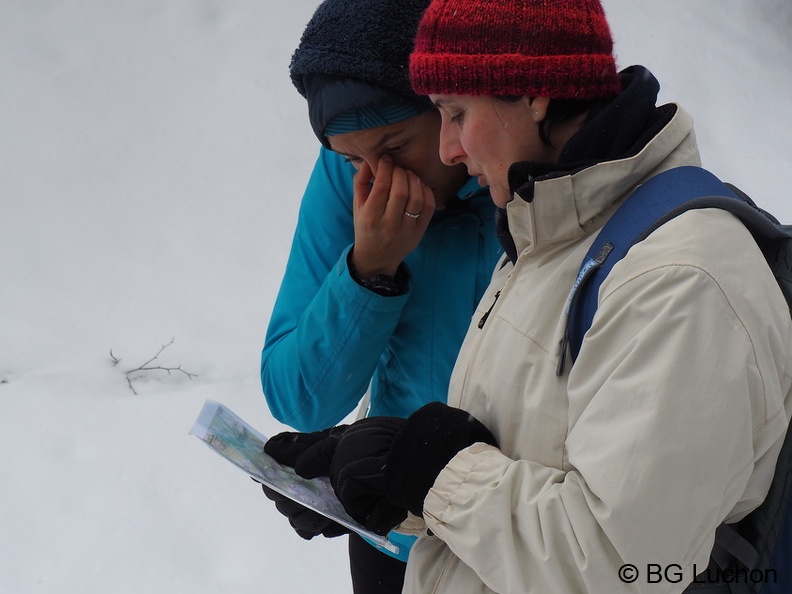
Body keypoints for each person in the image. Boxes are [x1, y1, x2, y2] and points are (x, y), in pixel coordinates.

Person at [263, 0, 792, 592]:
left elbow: (621, 566)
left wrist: (429, 474)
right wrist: (371, 468)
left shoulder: (680, 281)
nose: (447, 151)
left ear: (536, 93)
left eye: (456, 113)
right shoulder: (543, 229)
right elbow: (525, 452)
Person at [258, 0, 501, 591]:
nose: (376, 178)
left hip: (518, 542)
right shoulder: (348, 176)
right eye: (351, 159)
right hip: (395, 533)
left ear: (450, 112)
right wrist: (369, 268)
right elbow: (298, 396)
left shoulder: (520, 180)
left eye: (395, 149)